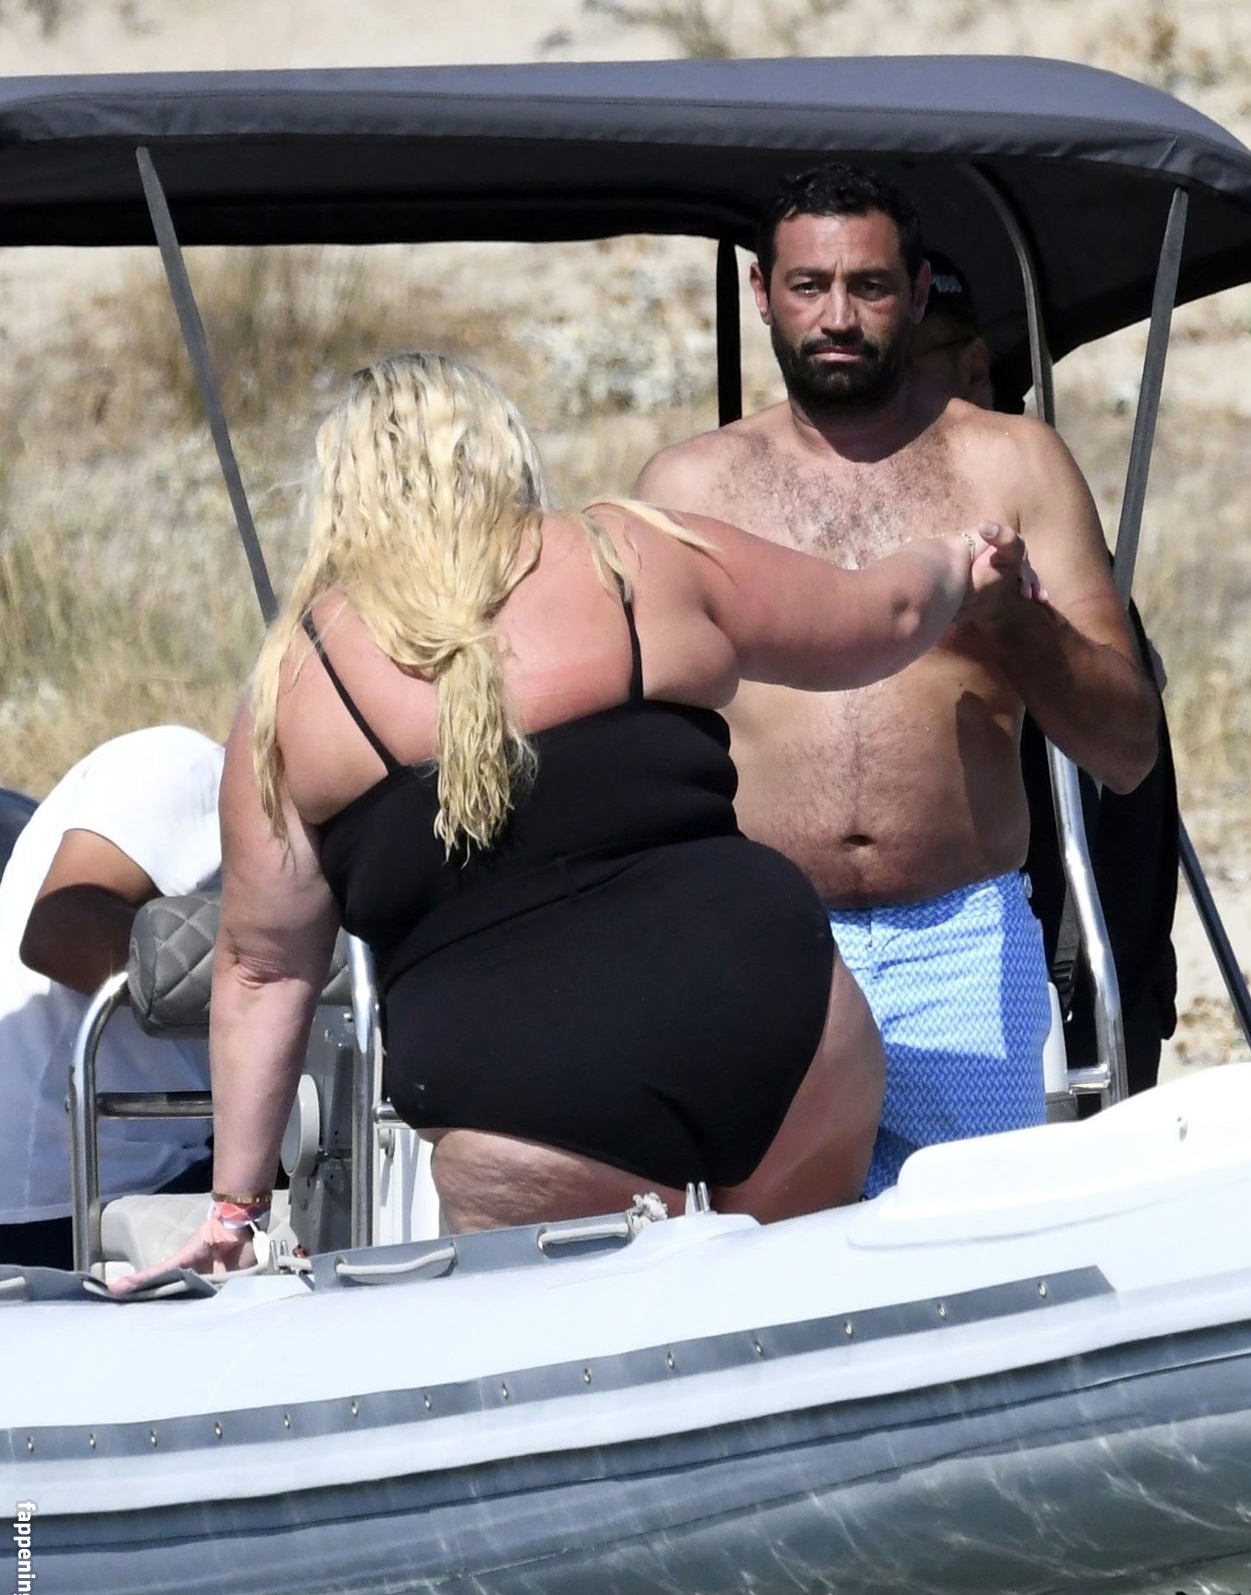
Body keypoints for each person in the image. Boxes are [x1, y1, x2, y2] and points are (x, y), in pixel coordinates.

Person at [119, 351, 1028, 1285]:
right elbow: (881, 615)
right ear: (504, 450)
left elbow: (265, 970)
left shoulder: (298, 687)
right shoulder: (632, 554)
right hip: (772, 1012)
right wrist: (961, 559)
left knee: (573, 1348)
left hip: (522, 1100)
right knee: (804, 1306)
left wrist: (236, 1209)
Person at [634, 166, 1160, 1195]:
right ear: (761, 293)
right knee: (770, 1259)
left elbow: (1127, 749)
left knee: (976, 1254)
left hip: (963, 945)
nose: (837, 317)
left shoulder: (1015, 464)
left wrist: (1014, 618)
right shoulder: (686, 486)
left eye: (868, 286)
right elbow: (638, 748)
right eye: (808, 286)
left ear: (917, 294)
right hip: (765, 941)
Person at [915, 253, 1180, 1093]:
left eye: (908, 369)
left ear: (974, 369)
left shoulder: (1046, 564)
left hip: (1055, 990)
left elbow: (1126, 778)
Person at [0, 725, 224, 1269]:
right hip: (83, 1183)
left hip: (102, 1169)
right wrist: (263, 979)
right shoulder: (185, 767)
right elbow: (61, 931)